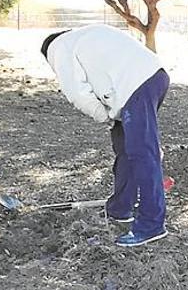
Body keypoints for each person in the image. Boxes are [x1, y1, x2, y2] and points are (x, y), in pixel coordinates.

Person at [40, 24, 170, 247]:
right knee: (126, 149)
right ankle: (120, 208)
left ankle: (151, 225)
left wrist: (107, 117)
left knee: (142, 153)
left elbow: (78, 95)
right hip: (152, 77)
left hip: (135, 87)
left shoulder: (58, 49)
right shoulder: (84, 36)